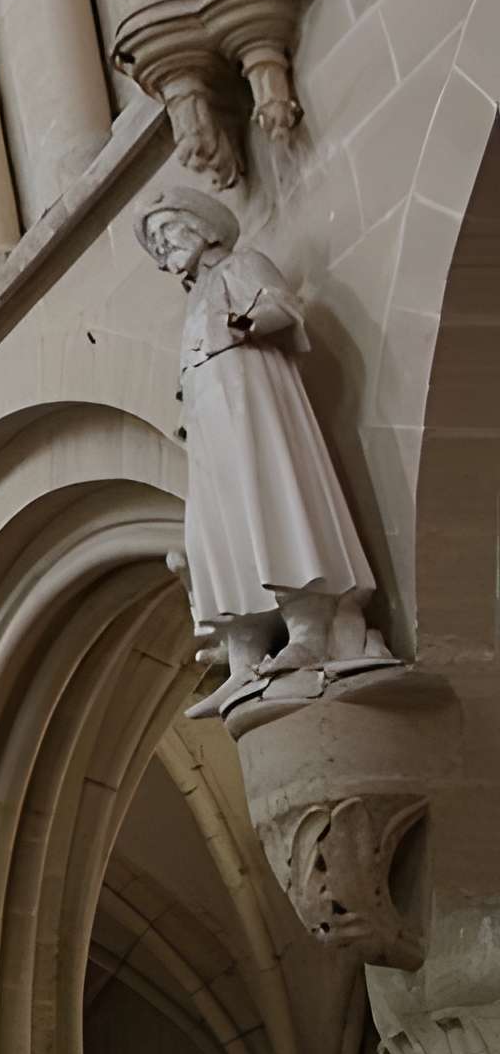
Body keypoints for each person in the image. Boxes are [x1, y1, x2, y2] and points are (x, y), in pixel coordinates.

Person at [137, 189, 396, 708]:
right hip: (212, 425)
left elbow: (282, 307)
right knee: (219, 531)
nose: (164, 249)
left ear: (200, 226)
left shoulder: (241, 264)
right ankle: (242, 653)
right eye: (157, 244)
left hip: (252, 408)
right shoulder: (194, 297)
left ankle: (309, 631)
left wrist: (247, 320)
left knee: (271, 508)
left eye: (167, 233)